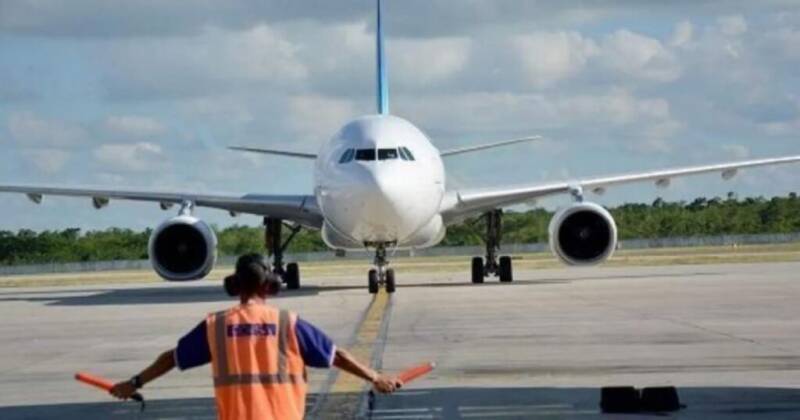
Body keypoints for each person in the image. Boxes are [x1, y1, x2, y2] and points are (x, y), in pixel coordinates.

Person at [111, 253, 402, 420]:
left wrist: (133, 383)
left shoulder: (215, 325)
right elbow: (335, 355)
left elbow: (171, 358)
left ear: (234, 285)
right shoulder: (288, 323)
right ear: (271, 286)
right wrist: (375, 377)